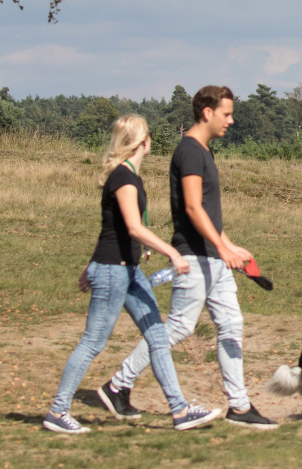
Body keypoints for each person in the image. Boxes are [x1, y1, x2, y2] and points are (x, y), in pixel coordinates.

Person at [99, 86, 277, 430]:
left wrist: (230, 245)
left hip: (213, 257)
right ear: (207, 113)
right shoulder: (190, 152)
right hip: (195, 257)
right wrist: (221, 248)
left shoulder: (204, 152)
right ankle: (117, 384)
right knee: (179, 326)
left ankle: (239, 407)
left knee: (231, 325)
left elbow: (208, 212)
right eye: (226, 113)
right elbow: (193, 208)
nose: (231, 120)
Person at [44, 115, 221, 435]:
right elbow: (132, 227)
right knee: (92, 343)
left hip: (128, 271)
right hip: (114, 272)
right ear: (143, 141)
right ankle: (58, 411)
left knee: (156, 337)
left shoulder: (129, 176)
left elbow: (110, 229)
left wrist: (91, 265)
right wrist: (172, 252)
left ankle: (180, 411)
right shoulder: (124, 179)